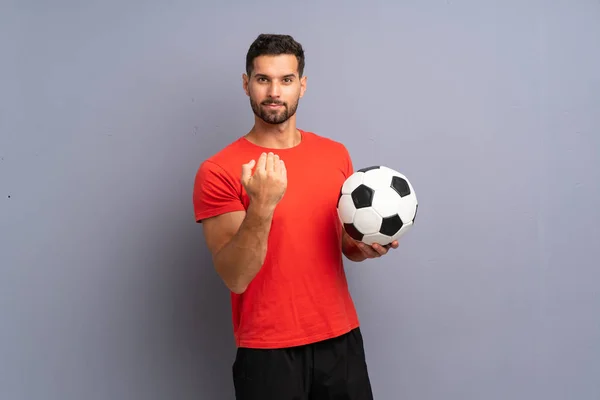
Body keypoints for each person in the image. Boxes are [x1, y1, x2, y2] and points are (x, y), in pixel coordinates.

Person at [192, 33, 399, 400]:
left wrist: (361, 246)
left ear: (301, 85)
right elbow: (236, 277)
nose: (274, 91)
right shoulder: (219, 170)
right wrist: (263, 206)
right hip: (268, 349)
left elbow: (340, 245)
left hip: (340, 338)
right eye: (263, 79)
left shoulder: (335, 154)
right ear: (246, 84)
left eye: (286, 80)